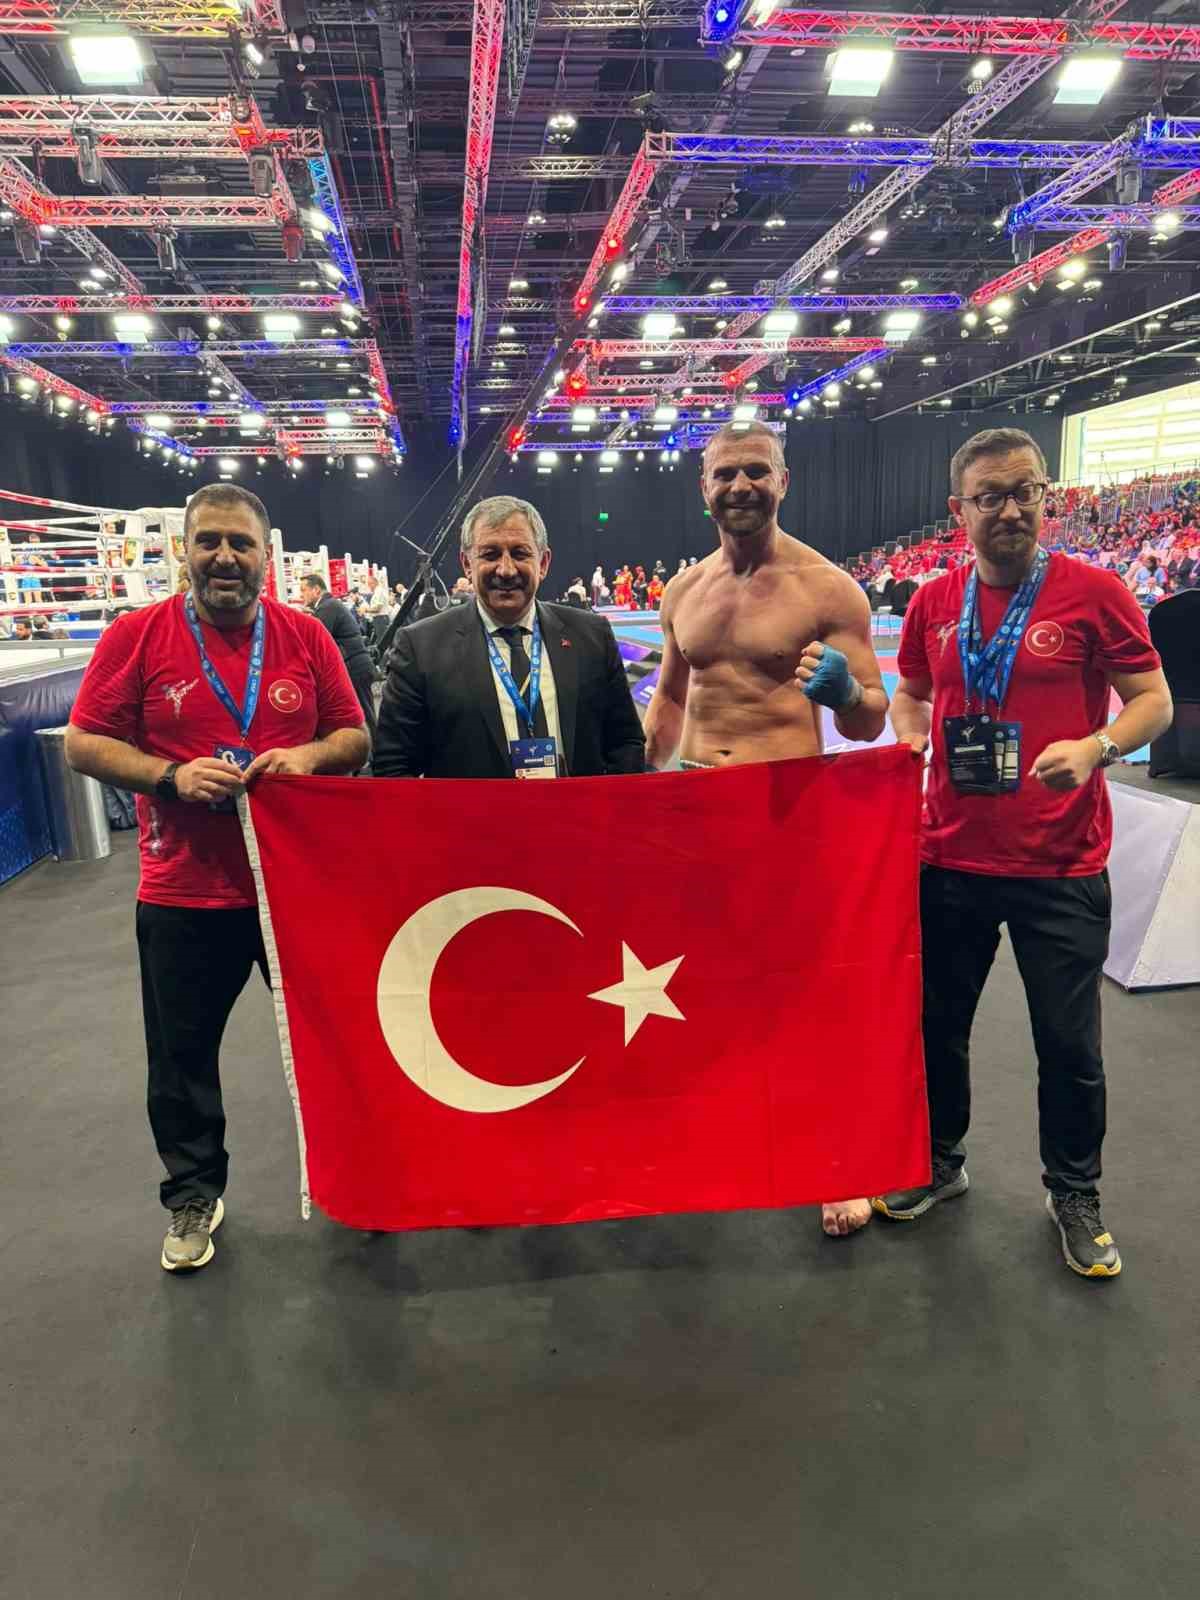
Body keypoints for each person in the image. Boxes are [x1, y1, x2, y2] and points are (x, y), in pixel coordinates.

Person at [877, 428, 1172, 1278]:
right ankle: (940, 1162)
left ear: (1047, 496)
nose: (1010, 510)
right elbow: (911, 692)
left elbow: (1152, 700)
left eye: (1025, 492)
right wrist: (908, 738)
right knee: (937, 1030)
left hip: (1061, 862)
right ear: (958, 510)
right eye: (990, 496)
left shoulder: (1095, 592)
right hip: (949, 857)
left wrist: (1097, 748)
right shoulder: (935, 602)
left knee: (1069, 1047)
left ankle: (1073, 1192)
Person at [64, 483, 368, 1275]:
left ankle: (361, 1178)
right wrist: (169, 776)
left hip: (295, 888)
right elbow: (83, 742)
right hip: (183, 891)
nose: (224, 557)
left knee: (338, 1042)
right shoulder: (137, 636)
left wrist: (307, 757)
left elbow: (353, 735)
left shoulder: (305, 635)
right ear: (184, 551)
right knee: (182, 1060)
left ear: (266, 556)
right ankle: (194, 1194)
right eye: (210, 542)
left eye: (240, 543)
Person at [643, 420, 889, 1239]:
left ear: (783, 481)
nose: (740, 486)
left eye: (756, 471)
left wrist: (845, 695)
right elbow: (670, 698)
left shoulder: (827, 590)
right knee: (697, 987)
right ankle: (713, 1132)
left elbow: (869, 718)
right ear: (703, 488)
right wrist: (635, 787)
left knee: (809, 996)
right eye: (725, 474)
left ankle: (838, 1164)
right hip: (697, 815)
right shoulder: (684, 590)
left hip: (788, 817)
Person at [373, 495, 644, 779]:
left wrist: (609, 805)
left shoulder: (592, 635)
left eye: (520, 553)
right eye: (490, 554)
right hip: (472, 811)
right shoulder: (420, 647)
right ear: (467, 564)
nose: (506, 569)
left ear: (543, 563)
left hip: (576, 809)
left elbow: (625, 742)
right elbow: (393, 766)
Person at [299, 572, 380, 746]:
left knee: (364, 715)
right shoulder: (329, 606)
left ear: (316, 590)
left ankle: (377, 754)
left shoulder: (327, 607)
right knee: (364, 712)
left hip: (354, 667)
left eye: (304, 590)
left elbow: (314, 639)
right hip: (356, 665)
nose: (301, 594)